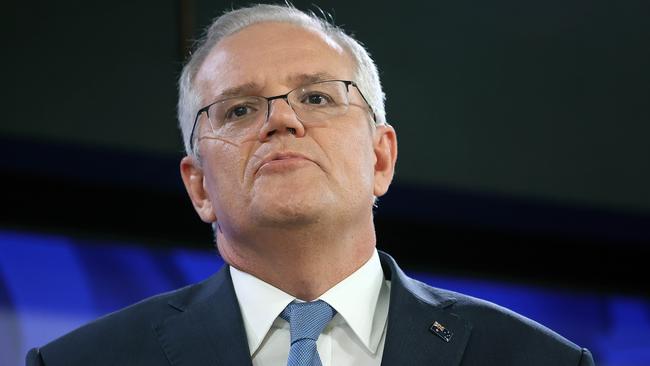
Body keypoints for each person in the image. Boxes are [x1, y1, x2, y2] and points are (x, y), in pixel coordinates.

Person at [26, 4, 595, 366]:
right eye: (240, 109)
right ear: (198, 186)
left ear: (380, 157)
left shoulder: (535, 360)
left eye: (317, 97)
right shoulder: (83, 362)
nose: (282, 120)